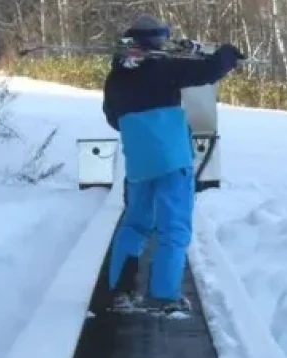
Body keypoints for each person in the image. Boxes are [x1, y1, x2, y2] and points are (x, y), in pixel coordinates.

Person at [101, 15, 243, 314]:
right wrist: (228, 53)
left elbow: (113, 119)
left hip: (139, 163)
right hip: (173, 160)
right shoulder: (165, 67)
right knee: (173, 228)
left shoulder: (115, 78)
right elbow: (209, 70)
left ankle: (120, 291)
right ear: (156, 40)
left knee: (135, 225)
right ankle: (164, 296)